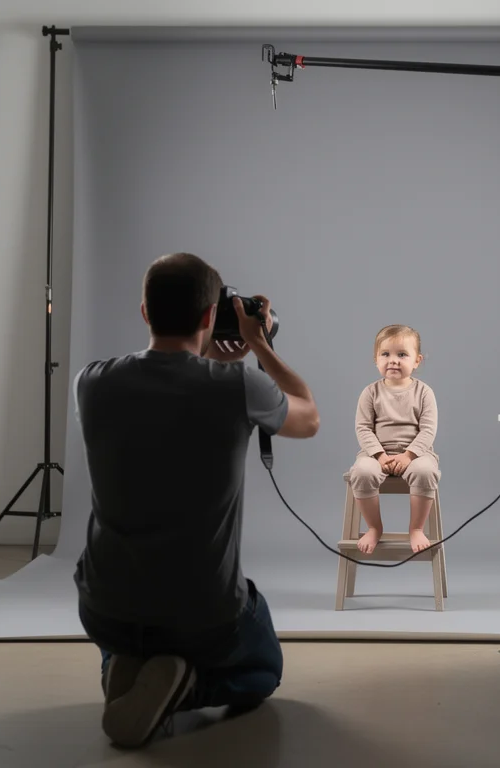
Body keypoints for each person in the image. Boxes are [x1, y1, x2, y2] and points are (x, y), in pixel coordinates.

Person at [71, 252, 320, 749]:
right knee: (263, 674)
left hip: (104, 607)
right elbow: (307, 418)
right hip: (203, 614)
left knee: (129, 626)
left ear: (144, 311)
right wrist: (258, 345)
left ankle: (122, 662)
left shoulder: (92, 381)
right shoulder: (239, 387)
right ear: (211, 316)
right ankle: (186, 685)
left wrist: (208, 360)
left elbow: (166, 396)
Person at [347, 325, 440, 554]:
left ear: (417, 361)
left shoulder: (424, 392)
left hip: (416, 453)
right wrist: (379, 455)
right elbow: (363, 428)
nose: (393, 361)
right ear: (375, 359)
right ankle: (374, 527)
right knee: (362, 472)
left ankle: (416, 528)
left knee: (426, 471)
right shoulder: (370, 392)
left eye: (402, 354)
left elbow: (428, 430)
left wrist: (409, 455)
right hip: (377, 452)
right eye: (385, 354)